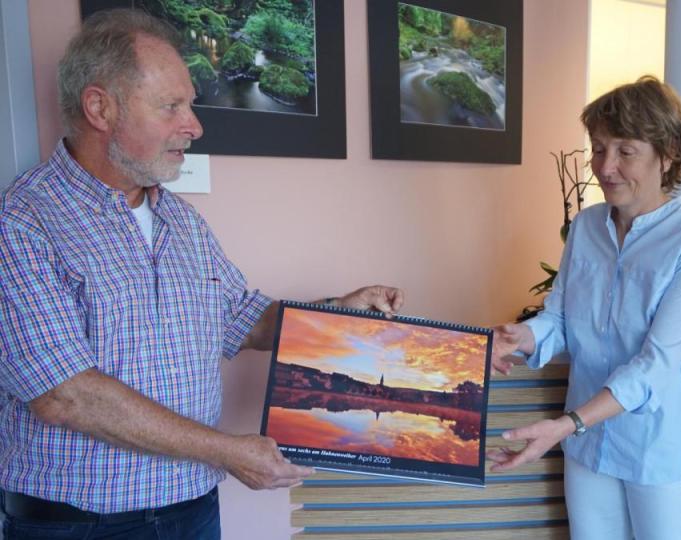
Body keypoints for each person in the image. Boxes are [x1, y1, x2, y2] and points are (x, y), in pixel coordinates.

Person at [0, 9, 403, 540]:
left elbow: (243, 319)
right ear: (99, 107)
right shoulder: (23, 223)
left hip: (193, 509)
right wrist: (228, 450)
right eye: (172, 106)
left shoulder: (181, 220)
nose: (194, 125)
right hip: (83, 524)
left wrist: (337, 310)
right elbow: (64, 395)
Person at [487, 76, 681, 539]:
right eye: (598, 149)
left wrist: (567, 423)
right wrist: (523, 337)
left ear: (668, 152)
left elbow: (656, 363)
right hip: (588, 444)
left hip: (659, 445)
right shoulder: (586, 227)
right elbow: (558, 318)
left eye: (625, 151)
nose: (606, 167)